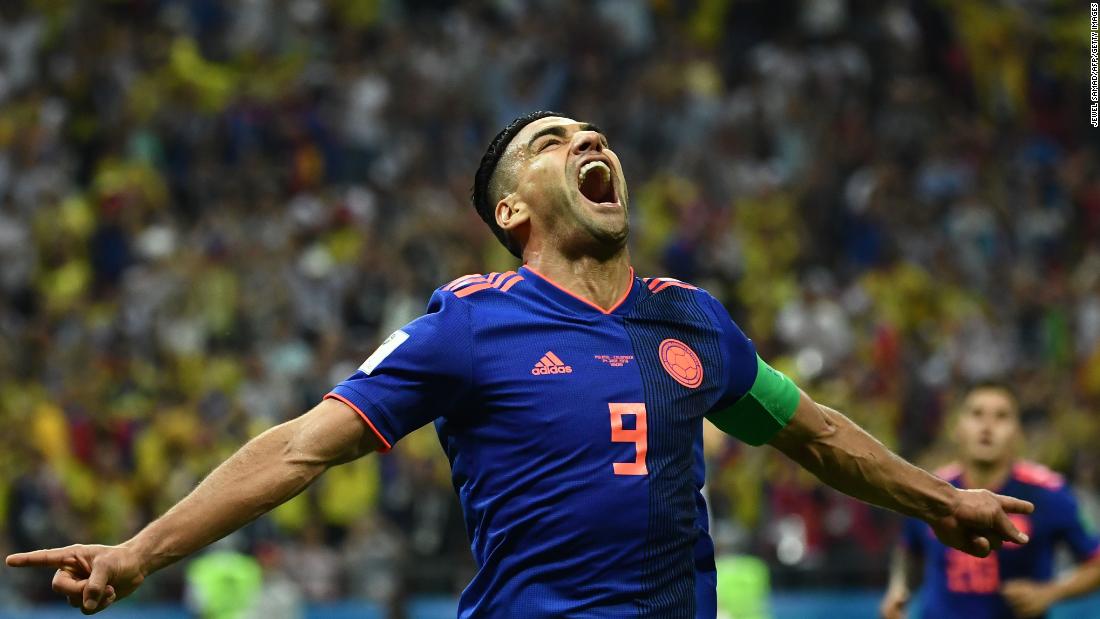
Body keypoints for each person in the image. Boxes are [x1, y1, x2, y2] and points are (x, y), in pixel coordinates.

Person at [7, 112, 1034, 618]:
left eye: (591, 134)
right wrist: (140, 552)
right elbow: (297, 450)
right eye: (551, 141)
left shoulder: (695, 322)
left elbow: (809, 429)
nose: (588, 140)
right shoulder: (465, 324)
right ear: (510, 210)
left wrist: (936, 503)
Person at [880, 382, 1100, 619]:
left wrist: (1049, 592)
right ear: (957, 428)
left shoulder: (1049, 493)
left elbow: (1096, 561)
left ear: (1018, 432)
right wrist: (897, 590)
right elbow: (908, 550)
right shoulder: (932, 490)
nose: (987, 426)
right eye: (977, 414)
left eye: (1001, 416)